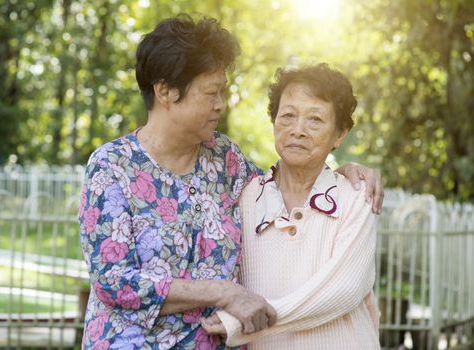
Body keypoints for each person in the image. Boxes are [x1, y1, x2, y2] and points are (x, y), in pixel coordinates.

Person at [78, 15, 383, 349]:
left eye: (223, 91)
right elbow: (112, 281)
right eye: (212, 92)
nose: (221, 104)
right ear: (165, 91)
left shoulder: (224, 158)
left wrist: (339, 171)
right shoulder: (112, 166)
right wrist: (223, 292)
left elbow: (288, 182)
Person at [201, 64, 380, 349]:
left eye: (315, 120)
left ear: (339, 134)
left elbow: (344, 291)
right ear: (273, 122)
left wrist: (244, 324)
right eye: (287, 116)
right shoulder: (245, 197)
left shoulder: (356, 197)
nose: (298, 130)